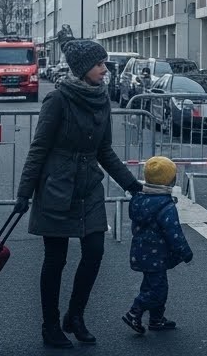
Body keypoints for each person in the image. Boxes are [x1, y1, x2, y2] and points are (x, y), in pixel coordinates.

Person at [14, 39, 142, 348]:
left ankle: (75, 315)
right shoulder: (57, 100)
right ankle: (50, 325)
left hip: (88, 188)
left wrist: (133, 186)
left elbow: (104, 150)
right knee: (55, 260)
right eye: (100, 64)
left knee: (95, 251)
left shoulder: (101, 99)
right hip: (57, 188)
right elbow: (39, 148)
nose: (104, 69)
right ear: (84, 68)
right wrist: (24, 194)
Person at [123, 156, 194, 335]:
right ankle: (134, 312)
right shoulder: (166, 205)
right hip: (157, 255)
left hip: (141, 252)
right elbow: (174, 233)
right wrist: (185, 253)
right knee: (158, 289)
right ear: (171, 180)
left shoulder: (140, 200)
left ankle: (156, 319)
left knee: (151, 286)